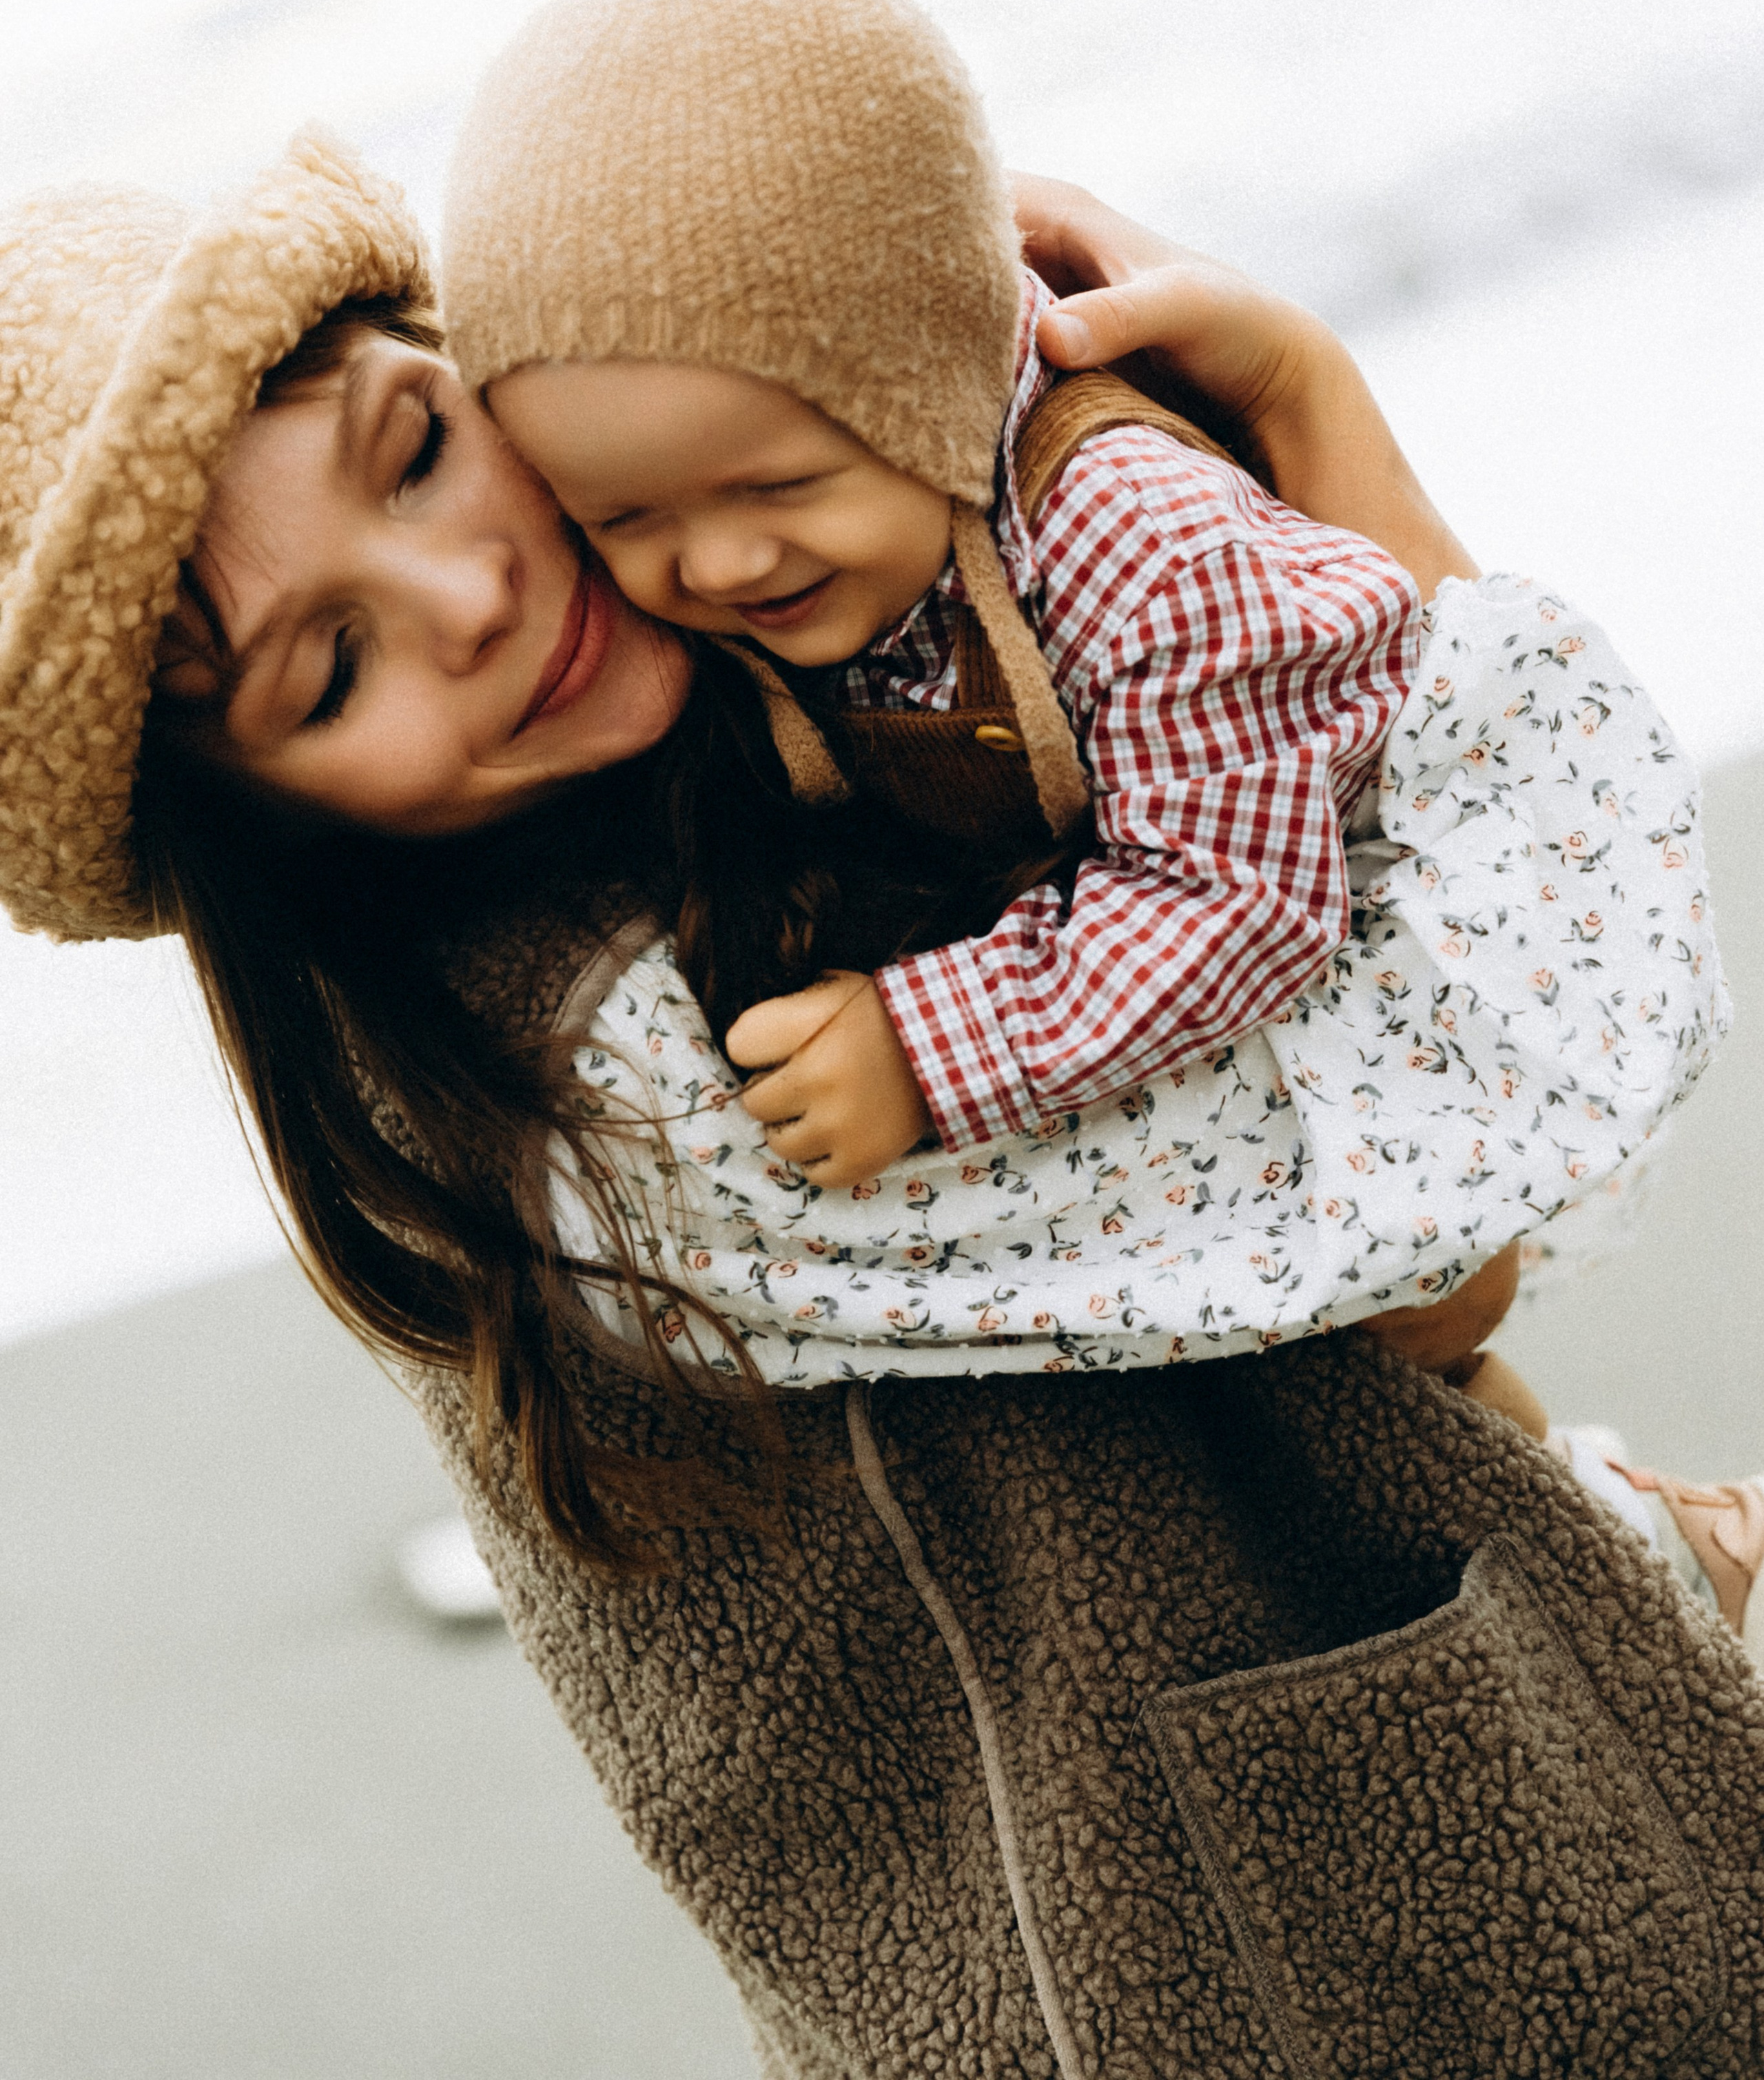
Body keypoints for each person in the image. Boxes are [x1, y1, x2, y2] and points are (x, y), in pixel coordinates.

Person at [2, 133, 1761, 2077]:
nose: (467, 590)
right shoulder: (632, 1083)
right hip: (1257, 1975)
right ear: (260, 844)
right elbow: (1458, 1198)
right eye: (328, 669)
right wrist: (1315, 420)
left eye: (415, 445)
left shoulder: (773, 757)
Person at [441, 0, 1722, 1431]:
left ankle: (1637, 1540)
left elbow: (1241, 903)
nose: (715, 562)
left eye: (774, 481)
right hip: (1141, 954)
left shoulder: (1133, 538)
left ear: (938, 381)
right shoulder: (792, 545)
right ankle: (1625, 1529)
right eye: (620, 519)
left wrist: (925, 1047)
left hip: (1367, 951)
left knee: (1418, 1335)